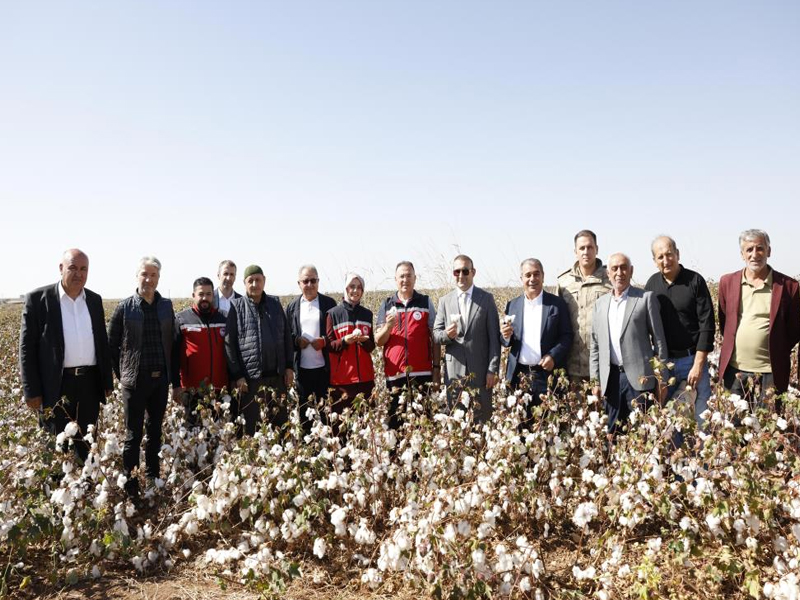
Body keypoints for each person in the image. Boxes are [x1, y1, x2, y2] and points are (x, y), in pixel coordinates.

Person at [19, 249, 113, 462]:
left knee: (87, 444)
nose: (78, 274)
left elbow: (101, 343)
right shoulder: (38, 300)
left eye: (83, 269)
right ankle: (56, 488)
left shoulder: (94, 301)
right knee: (55, 445)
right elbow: (26, 348)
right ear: (61, 268)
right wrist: (31, 391)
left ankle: (86, 488)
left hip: (89, 383)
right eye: (72, 268)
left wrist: (106, 381)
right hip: (55, 385)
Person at [108, 256, 177, 497]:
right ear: (137, 276)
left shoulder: (166, 306)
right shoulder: (124, 307)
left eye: (153, 275)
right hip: (134, 381)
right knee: (133, 434)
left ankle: (152, 477)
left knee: (155, 431)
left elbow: (174, 342)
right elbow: (111, 345)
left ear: (159, 278)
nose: (148, 279)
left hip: (160, 381)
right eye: (144, 274)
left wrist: (173, 379)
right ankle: (130, 483)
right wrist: (122, 375)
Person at [718, 229, 800, 406]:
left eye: (760, 248)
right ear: (742, 254)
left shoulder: (788, 286)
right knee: (735, 427)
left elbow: (794, 330)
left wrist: (777, 347)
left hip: (771, 372)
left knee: (768, 427)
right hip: (736, 370)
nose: (755, 254)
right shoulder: (727, 282)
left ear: (769, 251)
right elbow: (725, 321)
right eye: (749, 250)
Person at [590, 253, 668, 433]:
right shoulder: (600, 304)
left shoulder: (645, 298)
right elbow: (595, 346)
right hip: (611, 380)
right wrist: (596, 381)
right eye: (615, 268)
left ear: (631, 271)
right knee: (613, 432)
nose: (619, 272)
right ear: (607, 273)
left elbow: (659, 342)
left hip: (640, 380)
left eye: (624, 267)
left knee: (642, 433)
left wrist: (661, 379)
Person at [645, 236, 715, 429]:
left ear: (677, 254)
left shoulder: (695, 281)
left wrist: (699, 364)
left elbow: (707, 324)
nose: (666, 260)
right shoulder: (652, 286)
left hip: (693, 358)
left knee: (702, 415)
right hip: (666, 362)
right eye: (660, 257)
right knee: (669, 417)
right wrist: (659, 371)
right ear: (654, 261)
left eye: (669, 254)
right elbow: (649, 328)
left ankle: (703, 457)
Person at [225, 265, 294, 436]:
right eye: (251, 281)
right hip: (251, 380)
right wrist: (237, 375)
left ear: (264, 280)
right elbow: (229, 343)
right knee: (252, 428)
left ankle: (282, 460)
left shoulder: (275, 304)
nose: (255, 284)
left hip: (277, 378)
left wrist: (289, 366)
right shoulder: (237, 306)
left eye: (258, 280)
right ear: (244, 283)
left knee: (280, 424)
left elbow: (286, 336)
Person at [432, 254, 501, 422]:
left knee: (481, 422)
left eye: (465, 271)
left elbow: (494, 338)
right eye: (457, 272)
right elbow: (436, 334)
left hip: (481, 374)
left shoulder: (486, 299)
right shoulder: (445, 301)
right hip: (454, 375)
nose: (461, 276)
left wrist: (492, 370)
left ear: (473, 272)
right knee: (456, 423)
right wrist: (447, 335)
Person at [501, 259, 572, 414]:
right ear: (522, 279)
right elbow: (508, 341)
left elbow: (566, 336)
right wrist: (505, 336)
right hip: (519, 376)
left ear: (543, 276)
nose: (532, 279)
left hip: (547, 377)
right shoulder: (512, 305)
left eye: (536, 274)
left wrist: (553, 356)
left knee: (549, 425)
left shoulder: (556, 304)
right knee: (520, 427)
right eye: (528, 275)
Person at [375, 261, 439, 429]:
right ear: (396, 279)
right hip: (395, 374)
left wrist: (437, 368)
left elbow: (436, 337)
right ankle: (396, 455)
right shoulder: (387, 304)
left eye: (409, 275)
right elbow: (378, 341)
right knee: (396, 423)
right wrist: (388, 326)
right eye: (401, 276)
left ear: (415, 278)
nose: (405, 280)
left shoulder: (425, 302)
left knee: (423, 423)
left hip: (422, 373)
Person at [556, 230, 612, 382]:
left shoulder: (611, 279)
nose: (586, 252)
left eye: (590, 247)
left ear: (597, 249)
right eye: (581, 248)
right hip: (572, 367)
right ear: (575, 252)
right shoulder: (564, 282)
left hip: (603, 365)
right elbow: (556, 322)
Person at [286, 265, 336, 431]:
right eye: (305, 281)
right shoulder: (292, 307)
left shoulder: (329, 304)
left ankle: (330, 450)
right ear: (299, 283)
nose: (309, 284)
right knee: (305, 416)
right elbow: (287, 336)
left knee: (327, 414)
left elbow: (335, 335)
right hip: (302, 371)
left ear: (318, 282)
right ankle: (309, 453)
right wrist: (296, 341)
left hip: (324, 370)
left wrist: (324, 341)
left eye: (313, 280)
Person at [173, 277, 229, 426]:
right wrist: (176, 384)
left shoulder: (225, 317)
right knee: (194, 434)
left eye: (209, 294)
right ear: (193, 295)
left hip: (220, 389)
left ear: (213, 295)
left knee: (219, 436)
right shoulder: (181, 319)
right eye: (201, 294)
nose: (205, 298)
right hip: (192, 391)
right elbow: (174, 356)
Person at [325, 273, 376, 428]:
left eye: (359, 287)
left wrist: (363, 341)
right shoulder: (333, 314)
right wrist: (345, 341)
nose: (355, 290)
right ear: (345, 289)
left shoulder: (367, 314)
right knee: (342, 427)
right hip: (342, 380)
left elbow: (372, 346)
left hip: (366, 379)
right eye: (351, 287)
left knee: (366, 426)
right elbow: (329, 346)